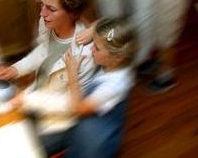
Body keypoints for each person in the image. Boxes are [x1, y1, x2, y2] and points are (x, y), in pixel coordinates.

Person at [0, 0, 97, 136]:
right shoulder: (48, 23)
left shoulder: (87, 52)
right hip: (33, 99)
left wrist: (27, 99)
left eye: (51, 9)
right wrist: (14, 69)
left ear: (72, 12)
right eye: (41, 5)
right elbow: (41, 53)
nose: (42, 13)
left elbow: (71, 105)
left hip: (56, 121)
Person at [44, 18, 137, 158]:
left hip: (95, 143)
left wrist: (72, 73)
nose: (92, 48)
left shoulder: (115, 85)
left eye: (97, 48)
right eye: (93, 43)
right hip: (83, 127)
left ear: (118, 57)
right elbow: (106, 20)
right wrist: (92, 30)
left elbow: (78, 109)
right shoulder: (114, 62)